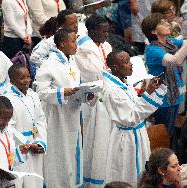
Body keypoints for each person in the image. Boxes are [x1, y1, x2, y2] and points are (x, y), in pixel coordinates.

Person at [102, 50, 167, 186]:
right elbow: (130, 117)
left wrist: (147, 91)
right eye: (126, 63)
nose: (131, 65)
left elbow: (134, 105)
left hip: (138, 133)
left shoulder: (124, 82)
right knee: (127, 173)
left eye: (129, 61)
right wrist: (148, 94)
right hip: (127, 139)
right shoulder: (112, 91)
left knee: (142, 171)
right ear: (115, 67)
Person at [35, 28, 82, 188]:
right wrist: (62, 92)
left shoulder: (72, 61)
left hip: (72, 114)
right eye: (73, 41)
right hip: (56, 117)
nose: (76, 45)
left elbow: (76, 84)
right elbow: (40, 92)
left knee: (71, 153)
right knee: (59, 154)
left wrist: (86, 94)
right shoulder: (49, 64)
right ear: (62, 44)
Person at [141, 13, 187, 150]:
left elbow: (184, 43)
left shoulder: (171, 43)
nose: (168, 24)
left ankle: (173, 162)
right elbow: (175, 61)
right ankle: (164, 164)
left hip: (175, 95)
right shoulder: (152, 50)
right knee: (165, 134)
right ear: (154, 31)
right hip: (163, 99)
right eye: (162, 23)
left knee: (173, 133)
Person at [75, 14, 112, 187]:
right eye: (103, 31)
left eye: (107, 31)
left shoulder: (107, 46)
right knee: (94, 140)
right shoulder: (82, 49)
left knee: (107, 140)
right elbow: (93, 75)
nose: (106, 35)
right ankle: (91, 179)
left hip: (109, 97)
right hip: (92, 100)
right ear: (92, 31)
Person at [5, 64, 47, 188]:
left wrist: (40, 141)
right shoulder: (7, 98)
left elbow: (41, 119)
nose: (27, 80)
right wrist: (27, 144)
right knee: (22, 181)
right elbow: (8, 127)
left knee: (35, 180)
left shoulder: (32, 95)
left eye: (28, 77)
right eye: (22, 78)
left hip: (36, 143)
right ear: (12, 81)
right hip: (20, 148)